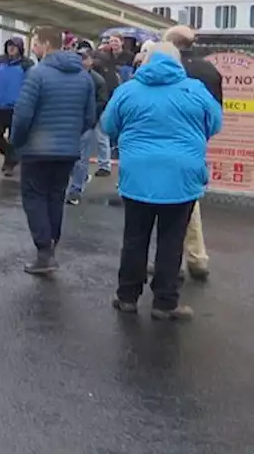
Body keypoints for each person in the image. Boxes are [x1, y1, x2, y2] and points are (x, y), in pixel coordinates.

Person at [104, 42, 222, 321]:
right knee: (172, 240)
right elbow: (215, 123)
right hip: (182, 177)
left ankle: (127, 297)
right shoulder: (195, 90)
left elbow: (108, 125)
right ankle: (165, 302)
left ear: (147, 60)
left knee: (134, 238)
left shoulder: (128, 90)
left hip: (138, 176)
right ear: (178, 62)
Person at [10, 27, 96, 276]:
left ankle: (43, 252)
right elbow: (89, 117)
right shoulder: (83, 77)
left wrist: (17, 142)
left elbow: (23, 115)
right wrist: (71, 136)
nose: (33, 48)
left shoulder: (38, 74)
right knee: (55, 196)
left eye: (35, 43)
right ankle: (51, 245)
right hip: (68, 150)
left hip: (37, 150)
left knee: (34, 197)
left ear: (46, 45)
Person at [161, 25, 221, 281]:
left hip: (165, 141)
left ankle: (181, 259)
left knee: (170, 202)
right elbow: (217, 113)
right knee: (188, 196)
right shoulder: (209, 70)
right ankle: (195, 257)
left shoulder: (168, 69)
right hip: (195, 142)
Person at [65, 43, 111, 205]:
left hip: (87, 124)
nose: (81, 61)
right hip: (69, 123)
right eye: (79, 58)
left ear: (91, 61)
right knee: (68, 158)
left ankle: (75, 191)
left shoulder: (97, 80)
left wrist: (90, 117)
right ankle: (81, 178)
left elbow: (102, 101)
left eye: (84, 58)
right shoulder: (69, 76)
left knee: (81, 159)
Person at [0, 37, 34, 176]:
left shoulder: (27, 64)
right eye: (9, 46)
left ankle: (9, 164)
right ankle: (11, 156)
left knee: (14, 138)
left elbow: (31, 84)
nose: (11, 48)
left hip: (16, 108)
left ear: (20, 49)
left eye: (14, 46)